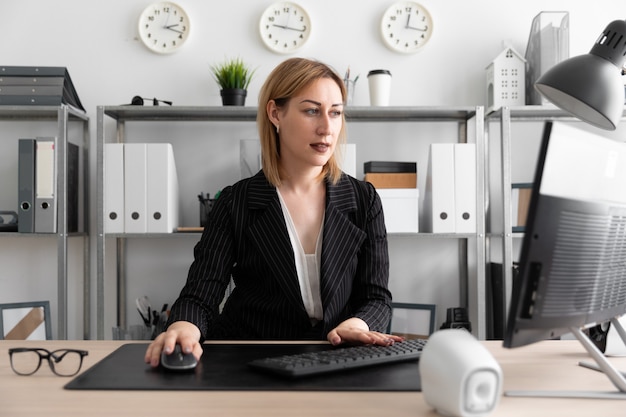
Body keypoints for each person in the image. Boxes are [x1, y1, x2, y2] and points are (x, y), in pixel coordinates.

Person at [145, 57, 401, 367]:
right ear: (275, 113)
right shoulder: (235, 201)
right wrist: (184, 327)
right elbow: (201, 293)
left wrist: (357, 324)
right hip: (249, 361)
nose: (327, 127)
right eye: (311, 111)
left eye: (336, 113)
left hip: (339, 360)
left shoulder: (365, 199)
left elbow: (376, 297)